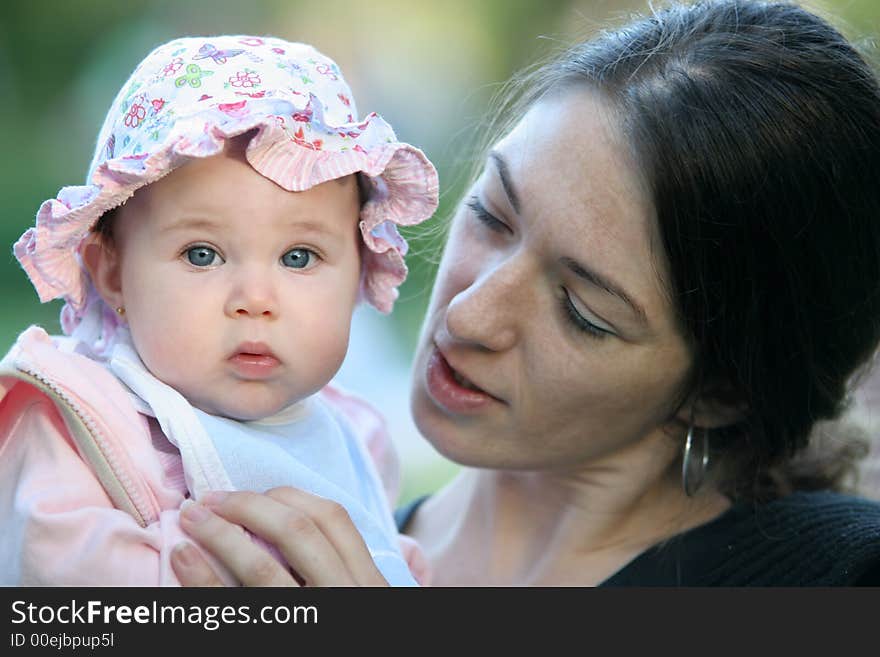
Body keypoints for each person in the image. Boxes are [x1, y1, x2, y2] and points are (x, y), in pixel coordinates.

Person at [165, 0, 880, 587]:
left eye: (582, 312)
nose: (470, 315)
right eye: (491, 214)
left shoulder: (835, 575)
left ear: (719, 390)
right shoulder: (327, 527)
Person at [0, 35, 438, 585]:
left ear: (359, 269)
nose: (255, 300)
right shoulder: (76, 414)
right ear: (113, 272)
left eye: (298, 257)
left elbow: (392, 564)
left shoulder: (355, 439)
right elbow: (52, 574)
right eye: (201, 254)